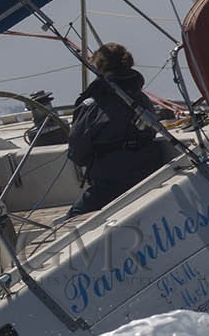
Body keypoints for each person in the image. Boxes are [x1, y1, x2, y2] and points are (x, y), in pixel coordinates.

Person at [66, 43, 168, 216]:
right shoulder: (141, 98)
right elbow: (151, 131)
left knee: (74, 217)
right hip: (151, 171)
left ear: (98, 67)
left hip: (113, 182)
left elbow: (77, 153)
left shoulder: (92, 104)